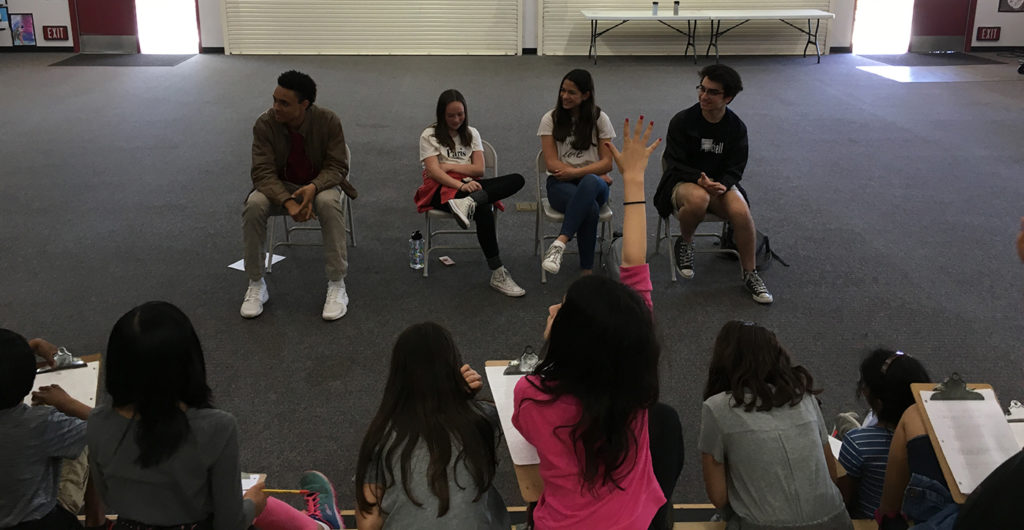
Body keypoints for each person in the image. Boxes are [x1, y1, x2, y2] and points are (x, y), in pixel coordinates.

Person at [513, 118, 683, 529]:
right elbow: (635, 267)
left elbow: (534, 434)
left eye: (561, 311)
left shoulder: (531, 394)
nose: (552, 310)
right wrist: (635, 180)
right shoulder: (636, 382)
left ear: (573, 341)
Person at [88, 301, 343, 530]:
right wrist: (253, 505)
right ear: (189, 363)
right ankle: (321, 527)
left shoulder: (97, 422)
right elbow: (229, 523)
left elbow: (108, 496)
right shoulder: (216, 427)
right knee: (259, 499)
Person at [354, 322, 509, 529]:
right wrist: (466, 397)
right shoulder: (481, 417)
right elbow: (497, 411)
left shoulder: (381, 434)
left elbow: (368, 522)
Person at [699, 321, 852, 529]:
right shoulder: (805, 398)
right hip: (836, 522)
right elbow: (831, 474)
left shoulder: (716, 408)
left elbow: (719, 496)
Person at [241, 70, 357, 321]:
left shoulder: (328, 121)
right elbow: (261, 172)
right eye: (274, 100)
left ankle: (337, 284)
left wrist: (314, 187)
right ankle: (256, 282)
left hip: (319, 186)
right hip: (279, 188)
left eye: (284, 103)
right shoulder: (265, 124)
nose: (275, 107)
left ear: (304, 105)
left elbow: (337, 166)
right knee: (253, 205)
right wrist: (288, 201)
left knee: (328, 202)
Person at [652, 64, 773, 304]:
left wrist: (724, 184)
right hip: (684, 181)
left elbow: (736, 167)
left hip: (718, 185)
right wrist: (699, 178)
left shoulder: (736, 128)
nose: (703, 96)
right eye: (702, 89)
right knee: (699, 199)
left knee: (741, 212)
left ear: (728, 97)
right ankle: (685, 242)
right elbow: (673, 162)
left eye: (712, 92)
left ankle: (750, 273)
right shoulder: (683, 121)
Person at [414, 89, 527, 297]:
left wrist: (449, 166)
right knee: (483, 207)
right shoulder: (429, 135)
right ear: (441, 115)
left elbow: (479, 170)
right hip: (441, 190)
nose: (457, 119)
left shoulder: (472, 133)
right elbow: (434, 173)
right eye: (451, 116)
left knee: (517, 179)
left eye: (460, 114)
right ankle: (498, 272)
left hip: (470, 187)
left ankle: (468, 203)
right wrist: (460, 186)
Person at [0, 330, 106, 530]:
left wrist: (33, 346)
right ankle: (96, 520)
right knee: (89, 443)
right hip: (40, 519)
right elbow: (107, 428)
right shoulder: (42, 423)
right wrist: (69, 404)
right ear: (29, 381)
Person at [538, 69, 616, 277]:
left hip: (592, 185)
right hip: (560, 185)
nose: (565, 96)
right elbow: (552, 163)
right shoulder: (550, 118)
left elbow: (608, 163)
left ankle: (560, 241)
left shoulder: (600, 119)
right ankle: (586, 271)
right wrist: (592, 171)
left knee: (590, 182)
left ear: (586, 95)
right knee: (589, 207)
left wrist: (575, 173)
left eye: (571, 92)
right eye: (563, 90)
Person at [836, 350, 930, 519]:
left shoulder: (857, 444)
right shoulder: (934, 441)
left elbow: (843, 500)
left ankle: (848, 430)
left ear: (878, 403)